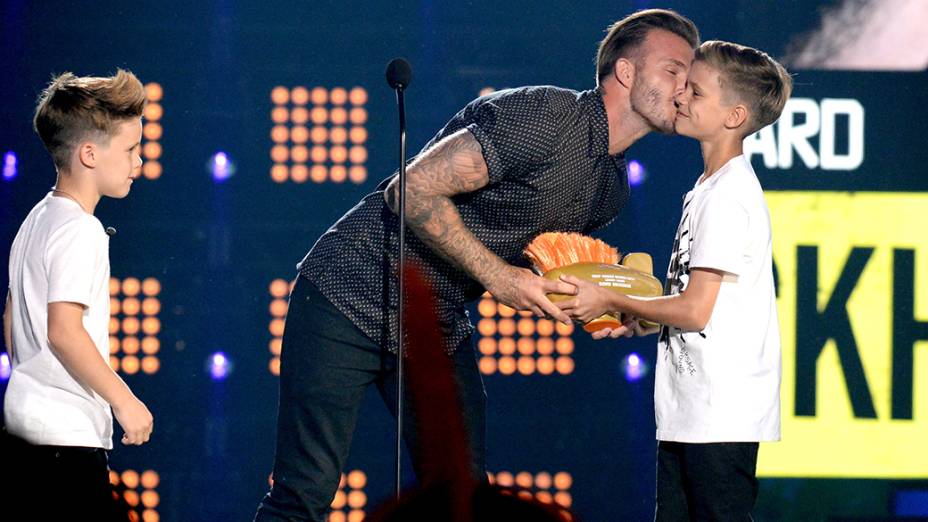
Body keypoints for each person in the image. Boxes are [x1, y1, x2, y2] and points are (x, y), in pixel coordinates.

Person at [254, 9, 700, 521]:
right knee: (303, 494)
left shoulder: (610, 189)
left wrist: (617, 309)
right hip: (349, 292)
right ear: (625, 72)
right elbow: (411, 188)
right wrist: (499, 277)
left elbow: (555, 269)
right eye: (672, 69)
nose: (685, 85)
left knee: (464, 500)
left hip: (435, 323)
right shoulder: (548, 116)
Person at [557, 40, 792, 520]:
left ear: (734, 116)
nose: (680, 97)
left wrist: (605, 294)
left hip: (721, 414)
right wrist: (642, 317)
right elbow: (697, 306)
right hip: (690, 409)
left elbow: (693, 309)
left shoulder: (729, 196)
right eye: (684, 85)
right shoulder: (705, 190)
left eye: (697, 92)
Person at [2, 70, 154, 517]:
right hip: (65, 444)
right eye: (130, 150)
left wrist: (34, 382)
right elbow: (64, 332)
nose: (139, 162)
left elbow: (12, 316)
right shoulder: (80, 230)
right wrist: (125, 402)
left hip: (27, 433)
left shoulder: (36, 219)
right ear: (89, 153)